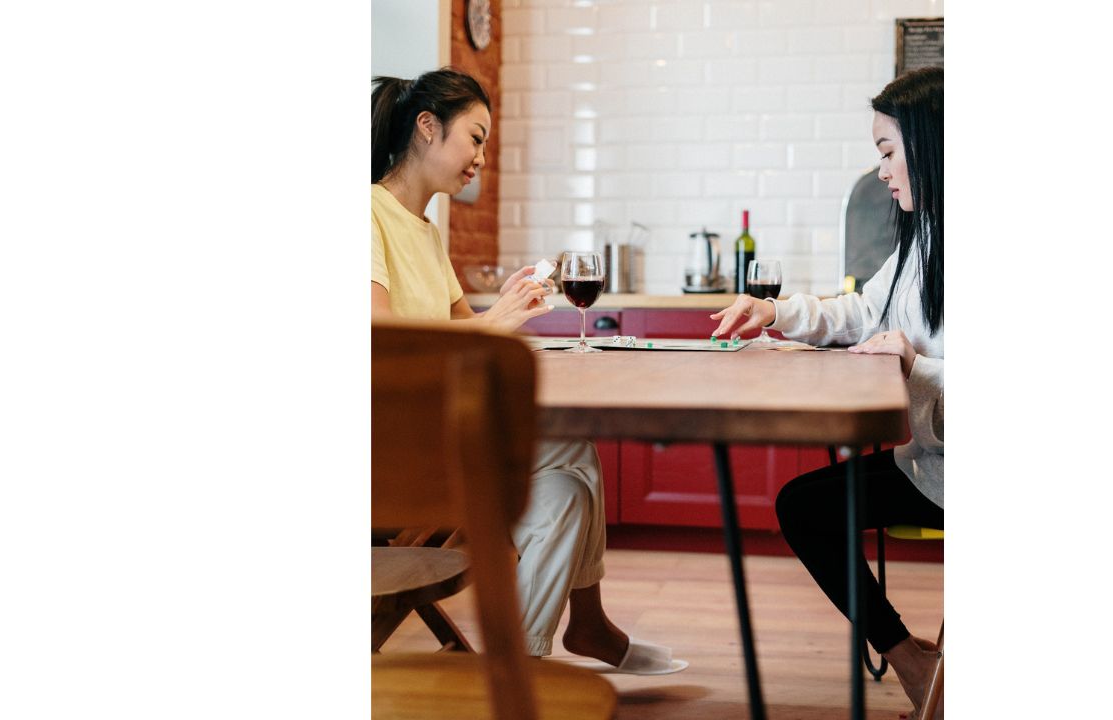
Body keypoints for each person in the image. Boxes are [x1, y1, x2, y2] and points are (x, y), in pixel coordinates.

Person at [370, 67, 684, 675]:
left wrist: (500, 310)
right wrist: (494, 323)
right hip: (392, 451)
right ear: (426, 128)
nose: (481, 158)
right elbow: (384, 339)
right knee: (571, 453)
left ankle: (527, 663)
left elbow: (465, 334)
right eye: (476, 137)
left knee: (567, 477)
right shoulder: (363, 214)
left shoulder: (426, 232)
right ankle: (569, 637)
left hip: (437, 433)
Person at [709, 66, 944, 718]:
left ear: (933, 145)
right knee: (805, 506)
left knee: (807, 509)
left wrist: (916, 363)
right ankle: (915, 661)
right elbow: (860, 316)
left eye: (888, 152)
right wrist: (774, 312)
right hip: (926, 466)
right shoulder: (922, 238)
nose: (882, 172)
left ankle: (920, 666)